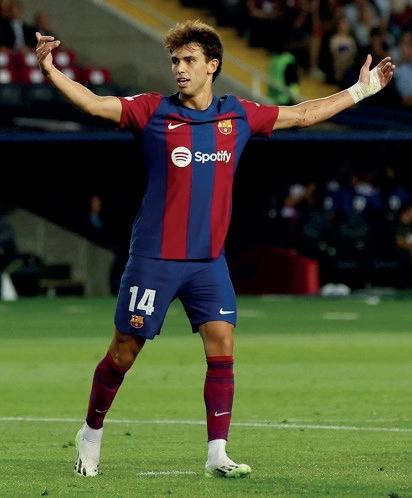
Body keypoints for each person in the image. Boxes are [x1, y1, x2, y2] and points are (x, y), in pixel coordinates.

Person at [35, 20, 394, 479]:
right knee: (124, 352)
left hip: (207, 261)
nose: (179, 69)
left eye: (189, 60)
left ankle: (217, 453)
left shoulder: (237, 115)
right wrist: (50, 70)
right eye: (175, 61)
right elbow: (94, 102)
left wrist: (362, 90)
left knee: (222, 344)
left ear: (212, 65)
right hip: (154, 259)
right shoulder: (153, 111)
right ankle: (90, 433)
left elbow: (302, 114)